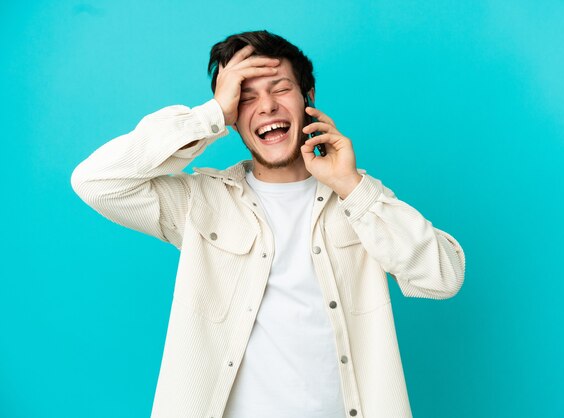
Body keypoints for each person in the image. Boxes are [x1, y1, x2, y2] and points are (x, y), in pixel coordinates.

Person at [71, 30, 465, 418]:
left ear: (307, 98)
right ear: (233, 117)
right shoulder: (201, 202)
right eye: (245, 96)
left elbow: (443, 277)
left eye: (280, 89)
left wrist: (350, 185)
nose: (266, 107)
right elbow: (95, 182)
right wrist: (210, 116)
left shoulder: (359, 198)